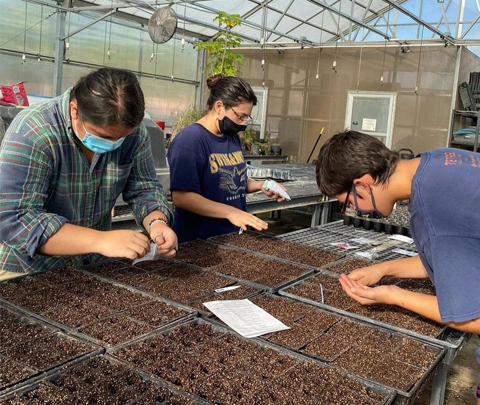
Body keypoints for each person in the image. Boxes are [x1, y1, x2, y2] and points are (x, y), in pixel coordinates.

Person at [315, 130, 480, 404]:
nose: (357, 211)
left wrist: (393, 295)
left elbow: (471, 317)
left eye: (348, 203)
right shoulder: (436, 161)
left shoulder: (432, 211)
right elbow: (454, 254)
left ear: (363, 183)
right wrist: (384, 268)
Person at [0, 67, 177, 280]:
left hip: (93, 266)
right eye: (103, 136)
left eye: (120, 138)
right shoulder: (34, 131)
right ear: (75, 110)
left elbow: (144, 188)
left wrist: (157, 223)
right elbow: (15, 219)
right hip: (29, 269)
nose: (113, 144)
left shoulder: (134, 133)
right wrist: (101, 241)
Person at [167, 74, 286, 243]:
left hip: (229, 237)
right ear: (219, 107)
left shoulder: (231, 137)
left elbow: (235, 181)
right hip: (199, 242)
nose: (243, 123)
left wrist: (262, 185)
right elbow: (182, 197)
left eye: (247, 118)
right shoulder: (190, 141)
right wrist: (231, 212)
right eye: (240, 116)